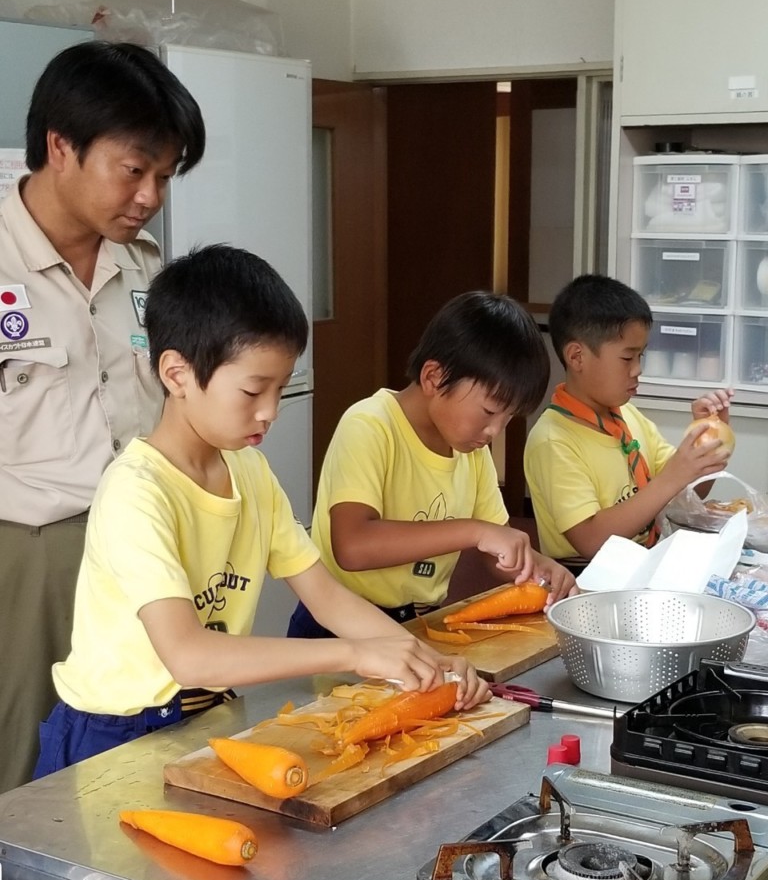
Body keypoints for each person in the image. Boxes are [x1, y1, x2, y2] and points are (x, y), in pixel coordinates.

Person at [33, 244, 487, 777]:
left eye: (281, 388)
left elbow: (324, 595)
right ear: (177, 374)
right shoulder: (137, 491)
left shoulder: (249, 471)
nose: (270, 411)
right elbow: (189, 656)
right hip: (113, 734)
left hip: (204, 717)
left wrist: (425, 660)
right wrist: (354, 654)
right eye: (253, 390)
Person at [0, 40, 206, 791]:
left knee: (135, 743)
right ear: (62, 147)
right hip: (33, 551)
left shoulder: (145, 266)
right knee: (23, 752)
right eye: (134, 170)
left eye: (164, 176)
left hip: (144, 540)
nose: (150, 195)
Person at [287, 291, 577, 641]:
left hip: (418, 621)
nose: (494, 431)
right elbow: (352, 546)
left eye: (508, 418)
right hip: (336, 626)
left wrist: (538, 567)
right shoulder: (370, 425)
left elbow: (495, 548)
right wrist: (475, 531)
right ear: (434, 378)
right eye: (488, 411)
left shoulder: (471, 451)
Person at [524, 273, 734, 567]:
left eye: (641, 356)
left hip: (641, 563)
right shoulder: (553, 441)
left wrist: (707, 441)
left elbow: (684, 496)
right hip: (585, 578)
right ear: (577, 357)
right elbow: (591, 541)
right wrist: (673, 476)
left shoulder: (629, 416)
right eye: (627, 358)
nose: (637, 370)